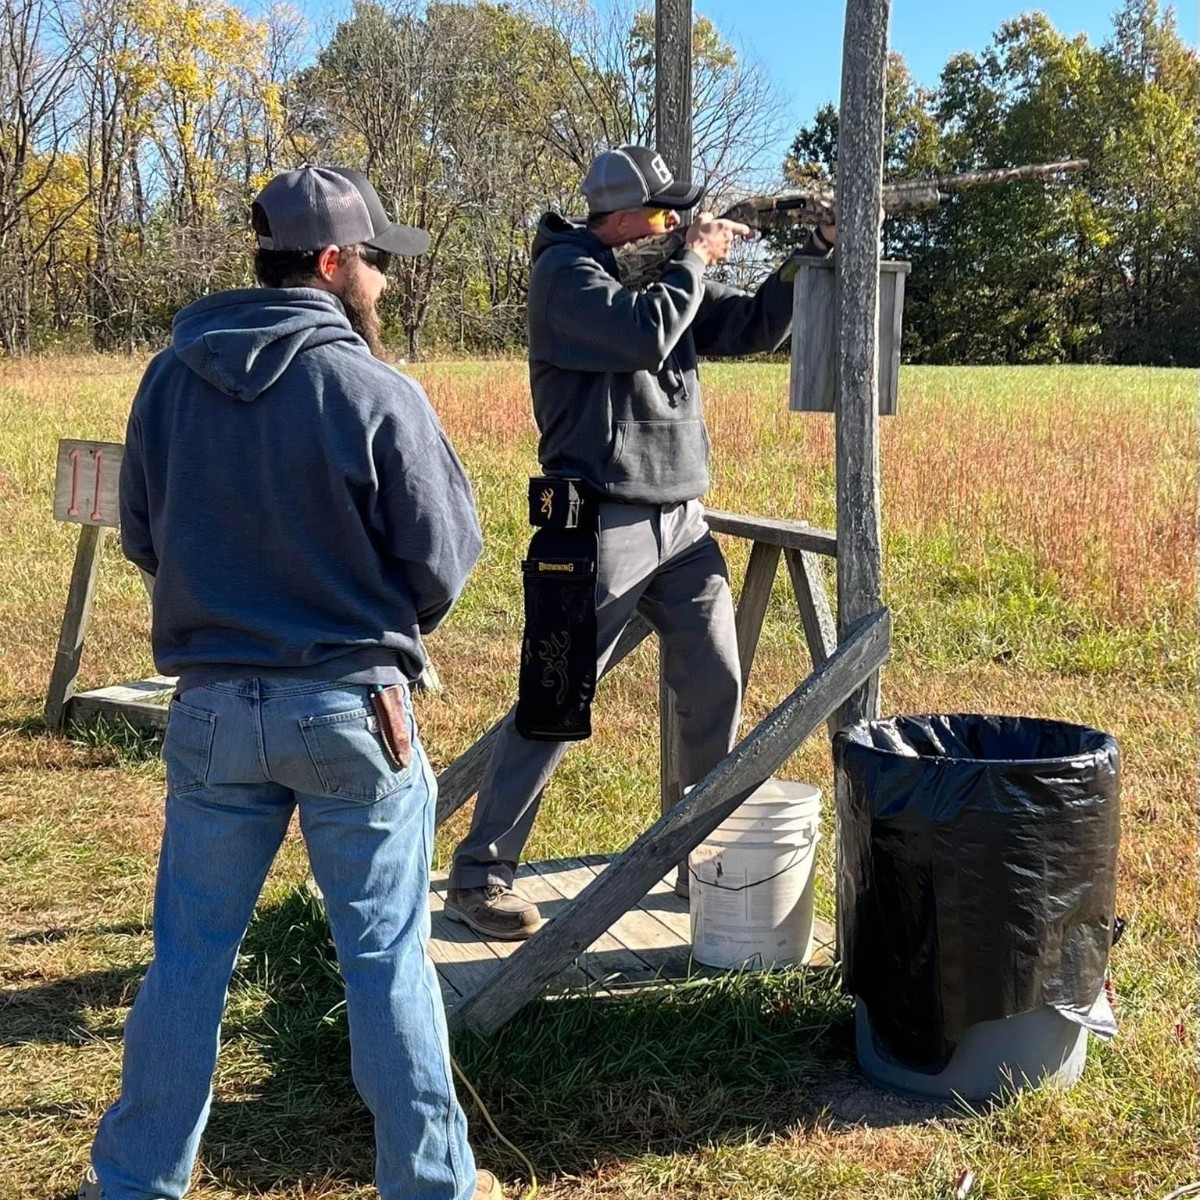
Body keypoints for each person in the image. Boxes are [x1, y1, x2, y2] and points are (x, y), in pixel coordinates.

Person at [79, 166, 499, 1200]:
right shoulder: (372, 388)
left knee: (187, 958)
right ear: (329, 263)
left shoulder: (167, 378)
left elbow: (143, 531)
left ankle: (132, 1185)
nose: (386, 285)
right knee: (386, 958)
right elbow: (445, 557)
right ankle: (431, 1186)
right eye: (377, 263)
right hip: (352, 709)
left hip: (212, 710)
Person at [445, 144, 835, 939]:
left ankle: (704, 858)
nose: (679, 222)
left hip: (683, 522)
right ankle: (481, 875)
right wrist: (693, 257)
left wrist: (812, 253)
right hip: (599, 523)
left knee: (718, 680)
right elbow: (644, 335)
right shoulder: (569, 278)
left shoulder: (656, 277)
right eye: (666, 212)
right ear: (624, 218)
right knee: (555, 699)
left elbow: (753, 324)